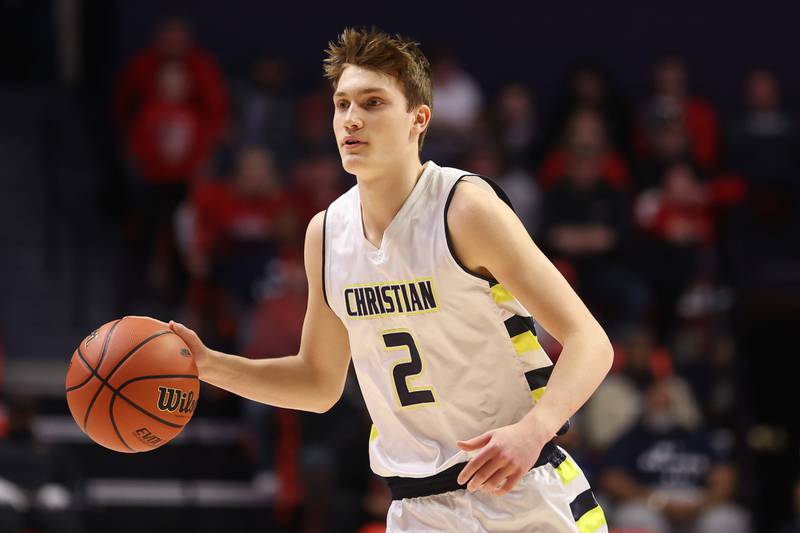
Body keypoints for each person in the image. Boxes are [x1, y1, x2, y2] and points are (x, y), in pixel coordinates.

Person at [170, 27, 613, 532]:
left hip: (523, 493)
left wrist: (534, 430)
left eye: (373, 102)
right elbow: (318, 383)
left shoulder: (464, 209)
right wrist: (209, 366)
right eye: (342, 105)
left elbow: (591, 342)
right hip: (417, 509)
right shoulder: (326, 233)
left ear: (417, 120)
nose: (351, 120)